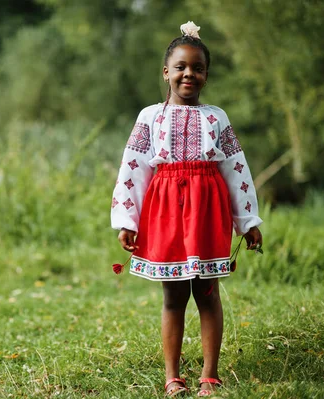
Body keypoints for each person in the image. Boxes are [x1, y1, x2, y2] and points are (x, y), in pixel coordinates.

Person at [110, 21, 263, 397]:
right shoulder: (149, 117)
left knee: (207, 292)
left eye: (197, 68)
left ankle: (210, 376)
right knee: (173, 295)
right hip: (164, 210)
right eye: (180, 67)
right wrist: (127, 220)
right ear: (166, 72)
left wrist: (247, 221)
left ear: (206, 75)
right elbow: (134, 169)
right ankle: (172, 376)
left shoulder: (217, 118)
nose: (188, 74)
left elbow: (236, 170)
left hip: (208, 209)